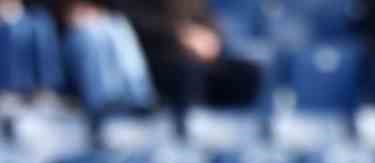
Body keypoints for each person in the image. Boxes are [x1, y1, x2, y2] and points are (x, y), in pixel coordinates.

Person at [109, 0, 261, 111]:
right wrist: (178, 34)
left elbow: (206, 17)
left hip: (200, 58)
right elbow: (126, 20)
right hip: (155, 60)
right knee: (187, 73)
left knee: (248, 74)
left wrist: (211, 38)